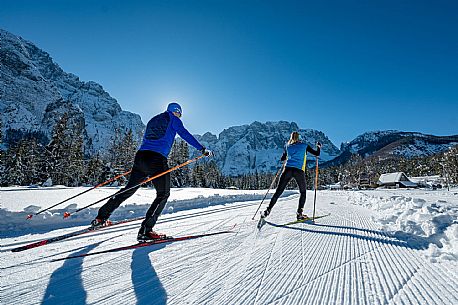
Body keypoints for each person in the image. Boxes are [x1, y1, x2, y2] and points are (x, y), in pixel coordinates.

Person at [91, 102, 213, 242]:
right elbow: (185, 134)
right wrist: (202, 149)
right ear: (176, 111)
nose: (180, 116)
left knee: (128, 190)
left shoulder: (153, 119)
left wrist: (144, 164)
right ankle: (146, 231)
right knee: (163, 194)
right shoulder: (173, 119)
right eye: (179, 113)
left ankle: (101, 217)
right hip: (157, 159)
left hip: (141, 157)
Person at [261, 131, 321, 220]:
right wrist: (318, 147)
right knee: (303, 192)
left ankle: (268, 210)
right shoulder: (304, 146)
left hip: (287, 170)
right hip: (299, 171)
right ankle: (299, 214)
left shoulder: (288, 146)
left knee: (278, 192)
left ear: (291, 138)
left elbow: (282, 158)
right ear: (299, 137)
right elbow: (317, 154)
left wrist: (287, 156)